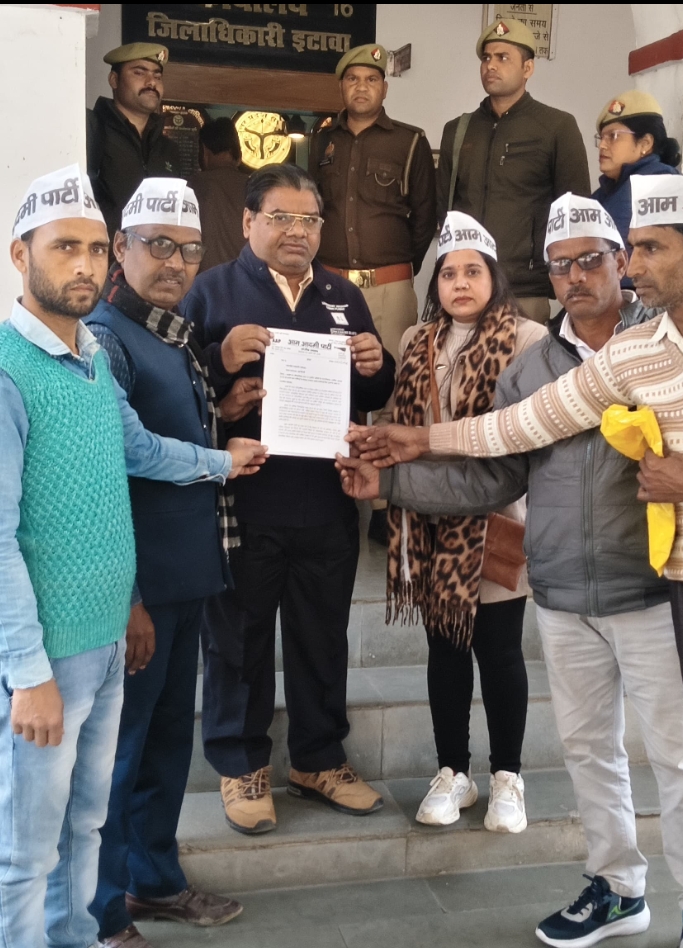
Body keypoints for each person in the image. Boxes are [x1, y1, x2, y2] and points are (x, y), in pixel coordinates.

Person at [340, 190, 683, 946]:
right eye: (559, 265)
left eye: (594, 260)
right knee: (588, 751)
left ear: (619, 261)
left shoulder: (655, 341)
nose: (577, 277)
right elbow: (500, 457)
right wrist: (394, 478)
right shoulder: (538, 365)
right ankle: (617, 888)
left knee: (681, 761)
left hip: (657, 590)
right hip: (563, 591)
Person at [0, 165, 263, 948]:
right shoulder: (36, 363)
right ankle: (93, 919)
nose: (82, 264)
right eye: (65, 247)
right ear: (21, 254)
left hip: (120, 624)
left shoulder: (89, 356)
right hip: (64, 642)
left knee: (98, 805)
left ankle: (112, 910)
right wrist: (30, 670)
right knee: (32, 844)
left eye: (89, 248)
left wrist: (222, 459)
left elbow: (139, 449)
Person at [179, 163, 395, 835]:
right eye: (281, 217)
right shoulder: (211, 290)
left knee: (321, 636)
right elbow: (177, 391)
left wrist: (376, 364)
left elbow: (371, 393)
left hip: (327, 500)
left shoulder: (342, 295)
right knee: (237, 641)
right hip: (246, 502)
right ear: (249, 222)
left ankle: (319, 758)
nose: (296, 231)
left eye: (309, 219)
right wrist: (220, 366)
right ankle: (241, 763)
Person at [86, 179, 253, 948]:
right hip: (140, 589)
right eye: (159, 245)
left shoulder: (171, 333)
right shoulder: (105, 337)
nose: (176, 263)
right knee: (118, 756)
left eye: (189, 249)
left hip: (186, 577)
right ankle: (102, 911)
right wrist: (128, 599)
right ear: (121, 248)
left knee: (163, 747)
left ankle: (153, 880)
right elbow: (117, 461)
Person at [384, 211, 544, 829]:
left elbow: (512, 435)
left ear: (494, 276)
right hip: (429, 520)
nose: (460, 283)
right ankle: (453, 773)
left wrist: (427, 446)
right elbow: (399, 423)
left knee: (500, 651)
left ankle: (508, 776)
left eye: (472, 271)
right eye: (448, 274)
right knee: (445, 650)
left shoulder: (528, 339)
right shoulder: (415, 339)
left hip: (496, 517)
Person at [310, 43, 437, 543]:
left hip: (389, 284)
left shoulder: (410, 141)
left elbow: (425, 219)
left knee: (393, 387)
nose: (361, 87)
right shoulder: (322, 141)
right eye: (352, 79)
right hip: (329, 285)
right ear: (341, 86)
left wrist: (398, 270)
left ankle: (384, 499)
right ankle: (333, 481)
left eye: (371, 79)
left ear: (384, 88)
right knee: (329, 383)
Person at [437, 19, 590, 324]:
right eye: (486, 58)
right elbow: (445, 209)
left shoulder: (556, 126)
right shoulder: (458, 130)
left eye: (503, 57)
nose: (491, 65)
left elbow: (574, 212)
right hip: (465, 286)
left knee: (526, 358)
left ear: (527, 68)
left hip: (524, 288)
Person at [87, 43, 181, 242]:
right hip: (103, 256)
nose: (151, 82)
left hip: (154, 257)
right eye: (139, 73)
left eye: (157, 76)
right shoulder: (90, 130)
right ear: (114, 80)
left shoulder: (168, 150)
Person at [593, 90, 681, 249]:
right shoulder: (608, 190)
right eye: (601, 137)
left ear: (645, 143)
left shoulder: (656, 185)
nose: (602, 145)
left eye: (613, 136)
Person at [188, 117, 249, 272]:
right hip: (246, 279)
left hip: (204, 280)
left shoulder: (193, 186)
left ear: (204, 151)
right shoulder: (255, 187)